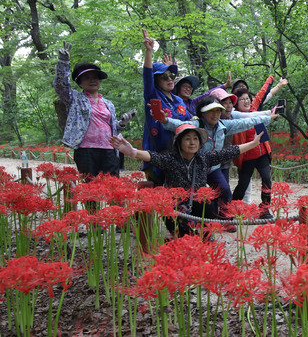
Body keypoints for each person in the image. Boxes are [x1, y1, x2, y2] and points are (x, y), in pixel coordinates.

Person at [109, 124, 263, 236]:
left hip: (199, 205)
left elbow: (229, 152)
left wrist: (253, 144)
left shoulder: (204, 158)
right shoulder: (170, 159)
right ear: (179, 143)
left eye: (195, 139)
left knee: (209, 204)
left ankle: (205, 235)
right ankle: (184, 236)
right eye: (188, 139)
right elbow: (152, 156)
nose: (192, 142)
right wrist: (133, 152)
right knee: (182, 228)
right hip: (177, 205)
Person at [159, 92, 278, 218]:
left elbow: (247, 121)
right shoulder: (196, 125)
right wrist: (165, 120)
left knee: (225, 191)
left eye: (218, 111)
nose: (215, 114)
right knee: (195, 196)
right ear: (203, 113)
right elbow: (178, 125)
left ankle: (225, 219)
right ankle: (192, 220)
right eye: (211, 111)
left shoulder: (224, 125)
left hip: (214, 168)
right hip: (196, 168)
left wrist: (269, 118)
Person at [53, 41, 133, 179]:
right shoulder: (75, 99)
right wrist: (63, 62)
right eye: (87, 78)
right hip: (86, 149)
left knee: (113, 186)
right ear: (80, 83)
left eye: (95, 77)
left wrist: (122, 123)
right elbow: (60, 85)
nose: (92, 80)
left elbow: (114, 128)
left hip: (109, 149)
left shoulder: (108, 104)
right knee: (90, 188)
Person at [231, 76, 288, 217]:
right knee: (243, 185)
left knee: (267, 179)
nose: (246, 101)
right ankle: (231, 210)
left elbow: (264, 94)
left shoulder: (254, 107)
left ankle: (264, 209)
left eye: (247, 98)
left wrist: (272, 80)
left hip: (262, 153)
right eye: (242, 99)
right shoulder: (234, 116)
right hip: (246, 156)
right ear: (235, 102)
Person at [141, 29, 191, 185]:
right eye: (164, 76)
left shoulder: (178, 100)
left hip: (178, 155)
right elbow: (147, 76)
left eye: (172, 76)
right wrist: (148, 52)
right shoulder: (153, 95)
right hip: (157, 154)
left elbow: (189, 120)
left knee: (175, 193)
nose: (170, 79)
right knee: (156, 194)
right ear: (156, 80)